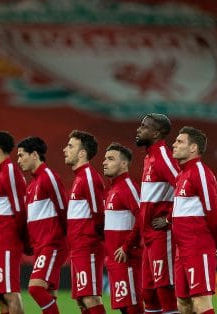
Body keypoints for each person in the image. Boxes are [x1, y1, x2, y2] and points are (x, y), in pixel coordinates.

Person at [170, 127, 217, 314]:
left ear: (193, 148)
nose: (174, 144)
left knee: (201, 302)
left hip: (197, 247)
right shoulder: (181, 175)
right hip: (181, 249)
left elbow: (213, 213)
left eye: (180, 142)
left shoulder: (200, 173)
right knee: (183, 304)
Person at [16, 136, 68, 314]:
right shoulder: (32, 186)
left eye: (22, 155)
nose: (19, 160)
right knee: (48, 293)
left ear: (35, 155)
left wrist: (62, 238)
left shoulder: (48, 177)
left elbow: (63, 209)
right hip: (41, 246)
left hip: (52, 245)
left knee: (35, 288)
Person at [135, 113, 180, 314]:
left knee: (164, 288)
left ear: (156, 132)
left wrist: (169, 218)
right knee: (148, 292)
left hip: (162, 234)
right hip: (148, 236)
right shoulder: (150, 157)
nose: (138, 129)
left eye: (143, 126)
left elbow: (184, 185)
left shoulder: (162, 156)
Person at [0, 131, 28, 314]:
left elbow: (19, 209)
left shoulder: (9, 171)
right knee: (0, 295)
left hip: (7, 242)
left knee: (10, 293)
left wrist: (23, 239)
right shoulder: (1, 173)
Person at [63, 130, 106, 314]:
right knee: (82, 300)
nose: (65, 149)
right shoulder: (80, 177)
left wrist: (92, 238)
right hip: (78, 247)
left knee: (90, 297)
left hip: (87, 246)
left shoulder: (88, 176)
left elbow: (99, 212)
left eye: (70, 146)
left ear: (82, 153)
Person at [102, 143, 144, 314]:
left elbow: (142, 216)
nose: (104, 162)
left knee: (133, 306)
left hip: (128, 258)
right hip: (115, 259)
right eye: (105, 158)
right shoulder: (113, 189)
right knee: (124, 307)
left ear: (124, 164)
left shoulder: (127, 186)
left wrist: (127, 246)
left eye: (110, 159)